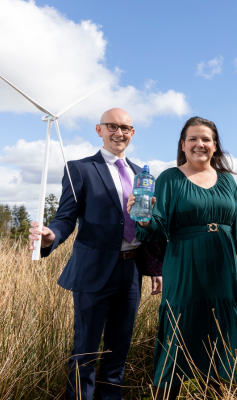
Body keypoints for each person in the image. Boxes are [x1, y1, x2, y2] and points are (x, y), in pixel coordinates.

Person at [28, 108, 164, 400]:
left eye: (126, 128)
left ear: (133, 132)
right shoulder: (79, 168)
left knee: (119, 348)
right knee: (85, 350)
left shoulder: (143, 174)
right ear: (99, 130)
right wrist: (50, 236)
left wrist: (155, 268)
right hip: (94, 271)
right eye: (112, 126)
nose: (119, 133)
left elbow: (148, 227)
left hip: (131, 271)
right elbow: (65, 218)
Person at [127, 116, 237, 399]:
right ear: (182, 145)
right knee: (177, 338)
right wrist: (144, 220)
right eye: (193, 139)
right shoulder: (170, 178)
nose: (200, 144)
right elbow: (155, 228)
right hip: (183, 268)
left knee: (221, 341)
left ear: (215, 145)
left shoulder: (228, 182)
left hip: (222, 271)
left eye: (206, 139)